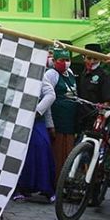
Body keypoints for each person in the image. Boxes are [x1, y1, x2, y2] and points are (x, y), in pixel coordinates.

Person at [14, 79, 56, 202]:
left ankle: (46, 188)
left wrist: (36, 111)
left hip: (36, 119)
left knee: (42, 147)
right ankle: (18, 189)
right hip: (16, 118)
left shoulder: (40, 73)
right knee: (17, 152)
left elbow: (50, 95)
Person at [44, 48, 78, 181]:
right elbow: (47, 99)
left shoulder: (70, 72)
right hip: (57, 121)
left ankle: (66, 183)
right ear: (54, 61)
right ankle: (55, 183)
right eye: (62, 60)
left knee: (68, 153)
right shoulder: (51, 75)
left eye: (67, 60)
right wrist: (50, 124)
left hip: (69, 121)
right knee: (56, 155)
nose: (65, 63)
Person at [77, 43, 110, 132]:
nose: (92, 62)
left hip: (95, 119)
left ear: (100, 59)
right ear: (84, 57)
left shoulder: (104, 76)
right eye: (89, 58)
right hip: (81, 117)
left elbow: (107, 101)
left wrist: (100, 118)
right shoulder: (82, 73)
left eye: (95, 59)